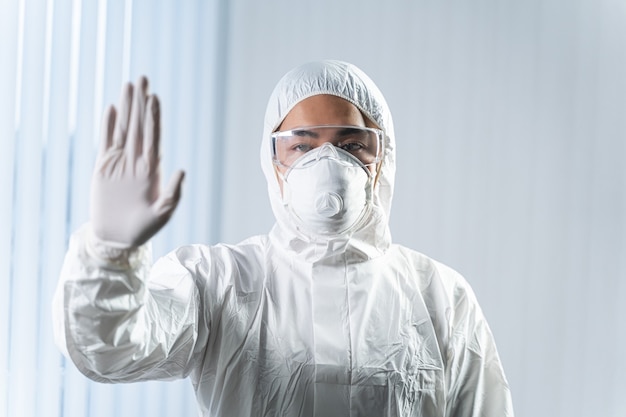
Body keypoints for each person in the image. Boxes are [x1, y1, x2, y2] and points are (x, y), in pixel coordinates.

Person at [53, 60, 514, 416]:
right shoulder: (221, 282)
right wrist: (110, 254)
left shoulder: (441, 296)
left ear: (382, 157)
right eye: (302, 144)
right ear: (274, 161)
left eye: (353, 144)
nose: (329, 163)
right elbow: (112, 350)